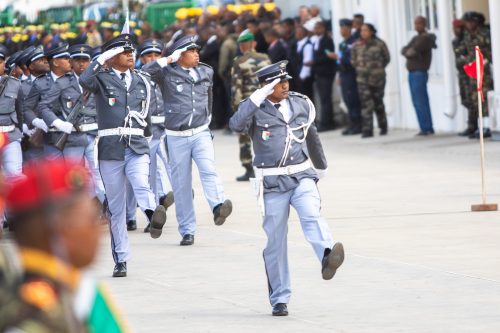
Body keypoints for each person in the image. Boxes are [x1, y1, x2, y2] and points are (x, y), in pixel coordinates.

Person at [229, 61, 344, 317]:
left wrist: (321, 167)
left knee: (312, 214)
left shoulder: (301, 103)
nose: (285, 85)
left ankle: (327, 255)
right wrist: (256, 97)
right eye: (278, 82)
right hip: (272, 183)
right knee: (276, 242)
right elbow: (235, 125)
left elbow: (311, 134)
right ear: (265, 86)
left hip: (301, 176)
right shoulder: (255, 110)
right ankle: (279, 298)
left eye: (286, 81)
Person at [0, 158, 128, 332]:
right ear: (58, 228)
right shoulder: (33, 315)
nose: (99, 228)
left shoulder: (79, 288)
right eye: (91, 219)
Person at [79, 34, 167, 277]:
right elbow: (84, 80)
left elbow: (146, 114)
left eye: (132, 52)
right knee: (116, 208)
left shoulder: (141, 80)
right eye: (123, 51)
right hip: (110, 147)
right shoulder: (101, 78)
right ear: (111, 56)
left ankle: (152, 213)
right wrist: (101, 59)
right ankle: (121, 259)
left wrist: (146, 139)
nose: (130, 55)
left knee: (140, 181)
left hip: (136, 143)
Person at [143, 35, 233, 246]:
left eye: (196, 50)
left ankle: (218, 205)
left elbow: (209, 96)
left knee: (208, 168)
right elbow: (143, 73)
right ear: (180, 55)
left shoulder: (206, 70)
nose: (196, 53)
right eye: (191, 51)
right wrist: (167, 59)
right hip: (176, 136)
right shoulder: (166, 73)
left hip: (200, 131)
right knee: (182, 185)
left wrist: (208, 118)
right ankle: (187, 230)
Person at [136, 38, 175, 232]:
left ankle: (173, 194)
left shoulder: (169, 74)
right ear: (141, 59)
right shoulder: (139, 74)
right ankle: (153, 214)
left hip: (168, 127)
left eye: (156, 55)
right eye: (148, 55)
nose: (152, 58)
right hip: (148, 130)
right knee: (149, 173)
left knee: (172, 166)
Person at [231, 29, 271, 181]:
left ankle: (249, 168)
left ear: (242, 46)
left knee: (245, 136)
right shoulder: (265, 58)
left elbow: (236, 89)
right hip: (265, 103)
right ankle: (268, 163)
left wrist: (237, 111)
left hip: (248, 104)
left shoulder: (239, 62)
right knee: (266, 133)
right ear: (253, 43)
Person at [38, 44, 89, 160]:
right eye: (66, 59)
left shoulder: (77, 81)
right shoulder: (43, 82)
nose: (69, 61)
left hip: (75, 138)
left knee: (74, 175)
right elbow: (36, 107)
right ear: (55, 62)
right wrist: (39, 121)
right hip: (51, 136)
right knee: (54, 175)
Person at [351, 23, 390, 138]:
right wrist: (360, 67)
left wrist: (376, 68)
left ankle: (383, 126)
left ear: (371, 31)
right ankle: (367, 130)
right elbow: (352, 60)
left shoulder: (380, 44)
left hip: (378, 78)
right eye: (361, 30)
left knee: (378, 103)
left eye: (365, 30)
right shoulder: (356, 45)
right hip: (362, 79)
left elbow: (386, 58)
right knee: (366, 104)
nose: (363, 33)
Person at [401, 16, 436, 136]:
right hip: (412, 72)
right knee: (417, 101)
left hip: (419, 72)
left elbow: (412, 51)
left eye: (419, 24)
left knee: (420, 101)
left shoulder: (425, 38)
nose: (417, 26)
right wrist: (407, 51)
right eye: (415, 24)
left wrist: (408, 52)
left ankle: (427, 127)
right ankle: (424, 126)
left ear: (424, 24)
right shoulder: (416, 37)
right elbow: (404, 50)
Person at [461, 11, 493, 139]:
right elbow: (465, 50)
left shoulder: (485, 34)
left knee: (484, 98)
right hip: (473, 72)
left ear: (476, 22)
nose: (468, 25)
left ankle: (488, 126)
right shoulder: (468, 35)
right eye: (467, 22)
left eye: (470, 22)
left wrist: (485, 62)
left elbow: (491, 50)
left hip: (484, 71)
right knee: (475, 99)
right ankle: (480, 127)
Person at [0, 45, 24, 179]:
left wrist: (19, 132)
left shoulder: (15, 84)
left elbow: (20, 111)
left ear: (4, 64)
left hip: (10, 135)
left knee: (15, 177)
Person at [335, 19, 362, 135]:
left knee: (353, 100)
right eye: (341, 28)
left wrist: (338, 58)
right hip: (344, 74)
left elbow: (350, 59)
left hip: (351, 74)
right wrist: (339, 75)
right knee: (347, 100)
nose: (342, 31)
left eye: (344, 28)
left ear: (349, 29)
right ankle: (351, 124)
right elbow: (339, 61)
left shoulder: (353, 42)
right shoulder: (342, 43)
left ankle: (358, 125)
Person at [312, 20, 337, 132]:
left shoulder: (327, 40)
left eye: (318, 28)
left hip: (326, 73)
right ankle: (325, 121)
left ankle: (327, 122)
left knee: (326, 98)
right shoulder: (317, 40)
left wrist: (315, 61)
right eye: (315, 28)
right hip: (319, 73)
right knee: (323, 99)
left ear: (323, 29)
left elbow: (327, 56)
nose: (316, 30)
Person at [452, 19, 473, 136]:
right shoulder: (455, 41)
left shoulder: (467, 39)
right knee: (465, 99)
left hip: (469, 73)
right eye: (454, 28)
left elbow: (467, 55)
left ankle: (472, 125)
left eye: (458, 28)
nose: (456, 31)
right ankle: (471, 124)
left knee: (472, 100)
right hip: (461, 73)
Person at [293, 25, 314, 100]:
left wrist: (301, 77)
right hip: (299, 76)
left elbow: (307, 64)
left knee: (307, 97)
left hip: (304, 77)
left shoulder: (307, 46)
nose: (296, 34)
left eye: (297, 33)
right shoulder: (299, 44)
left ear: (302, 33)